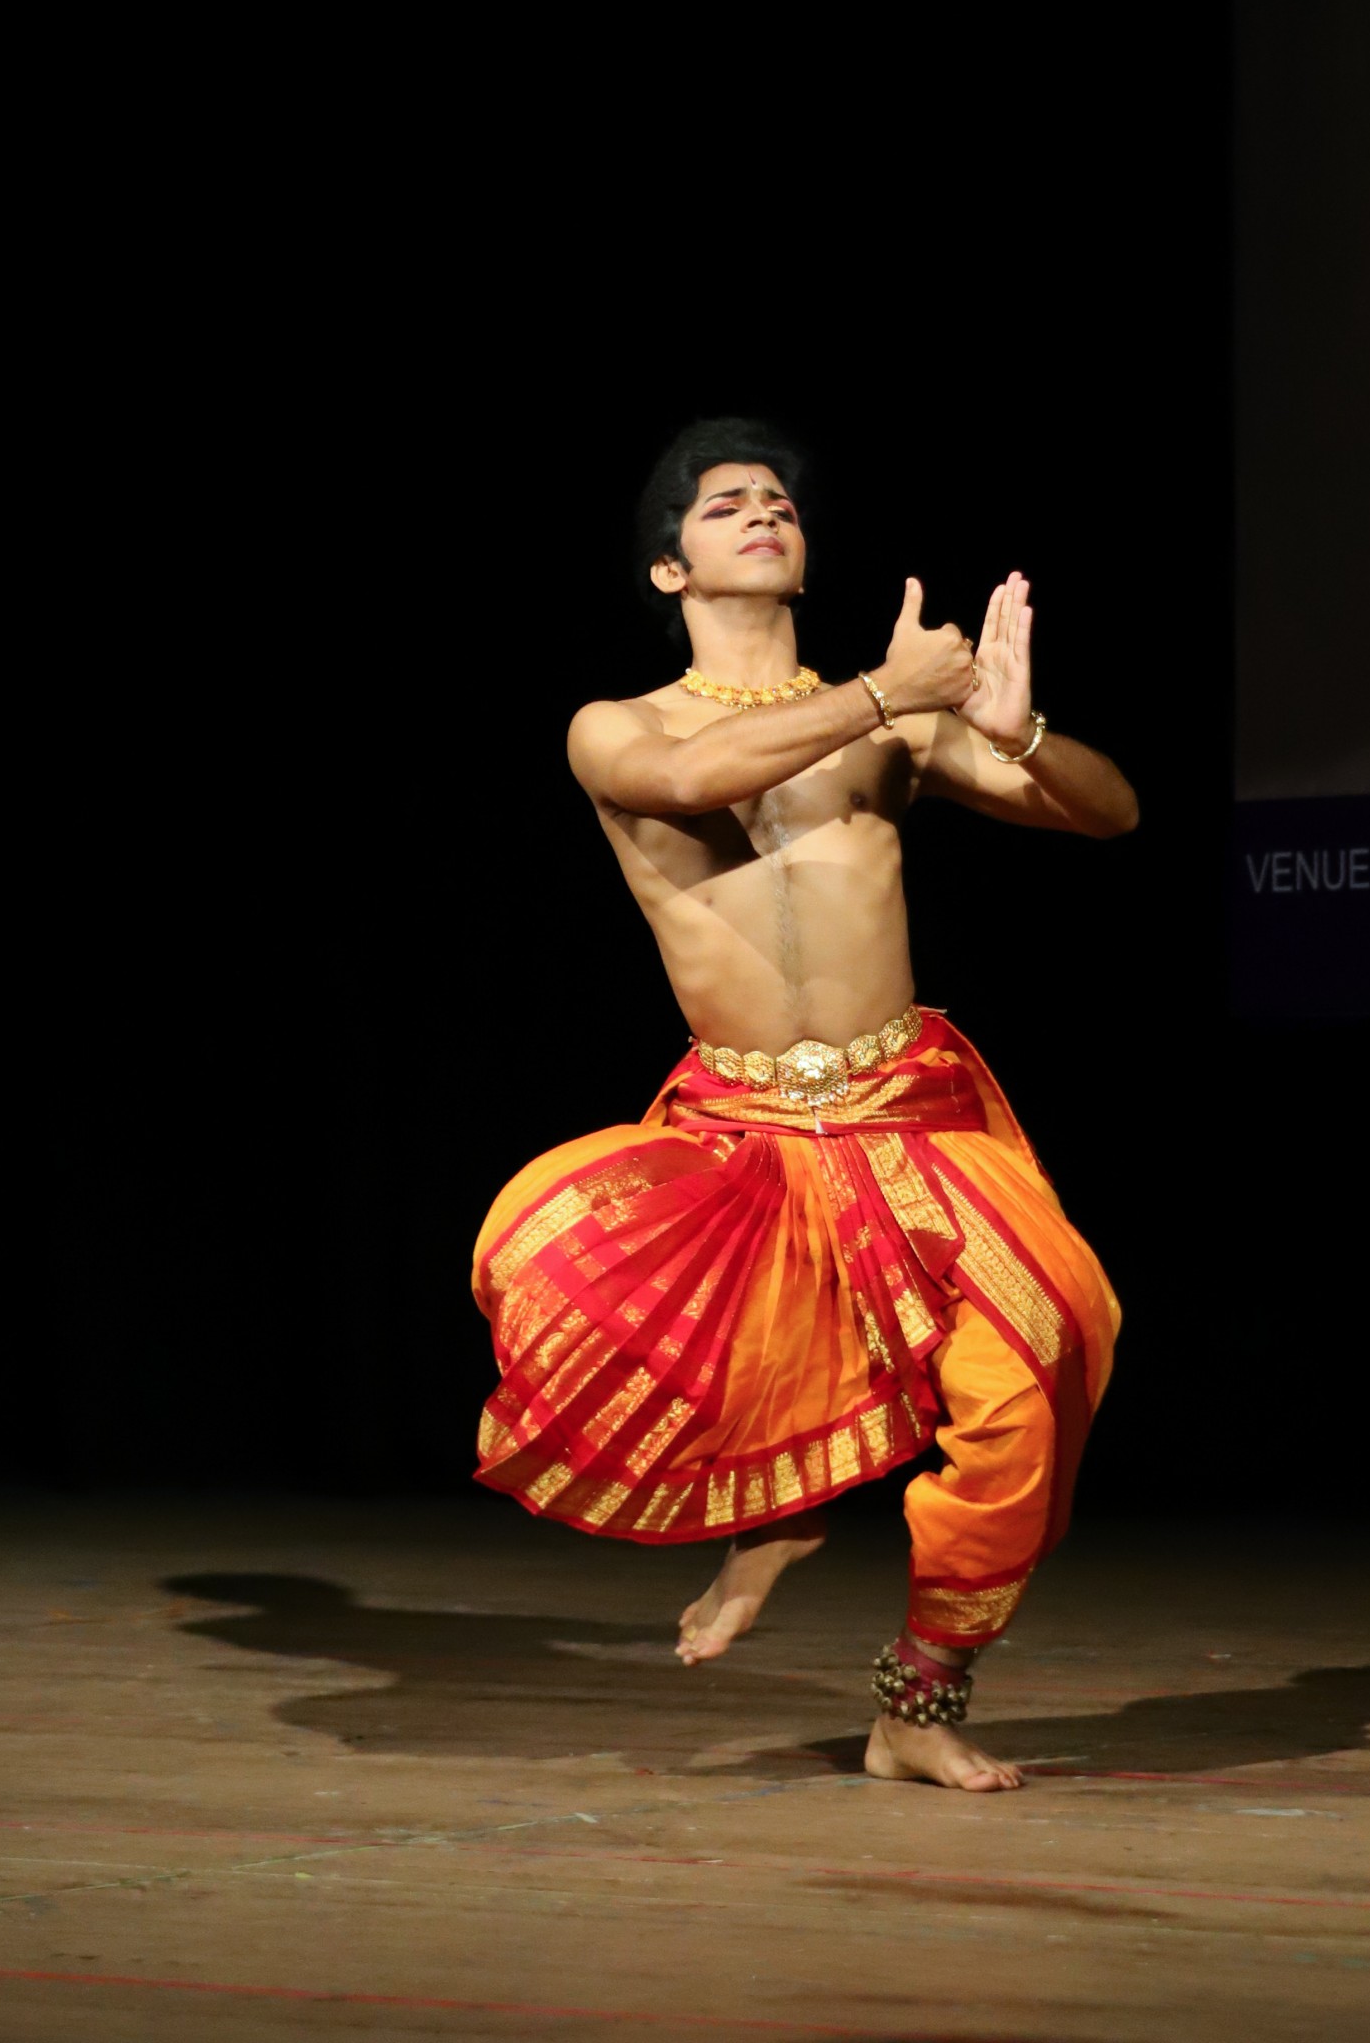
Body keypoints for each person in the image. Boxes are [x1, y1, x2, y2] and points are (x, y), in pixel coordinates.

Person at [471, 417, 1136, 1791]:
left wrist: (1022, 733)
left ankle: (919, 1702)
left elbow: (1105, 813)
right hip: (743, 1134)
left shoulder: (887, 717)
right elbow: (695, 781)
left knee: (1055, 1348)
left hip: (907, 1106)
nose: (763, 511)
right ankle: (778, 1512)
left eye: (779, 500)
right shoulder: (623, 726)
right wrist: (890, 697)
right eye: (724, 505)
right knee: (564, 1277)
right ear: (670, 571)